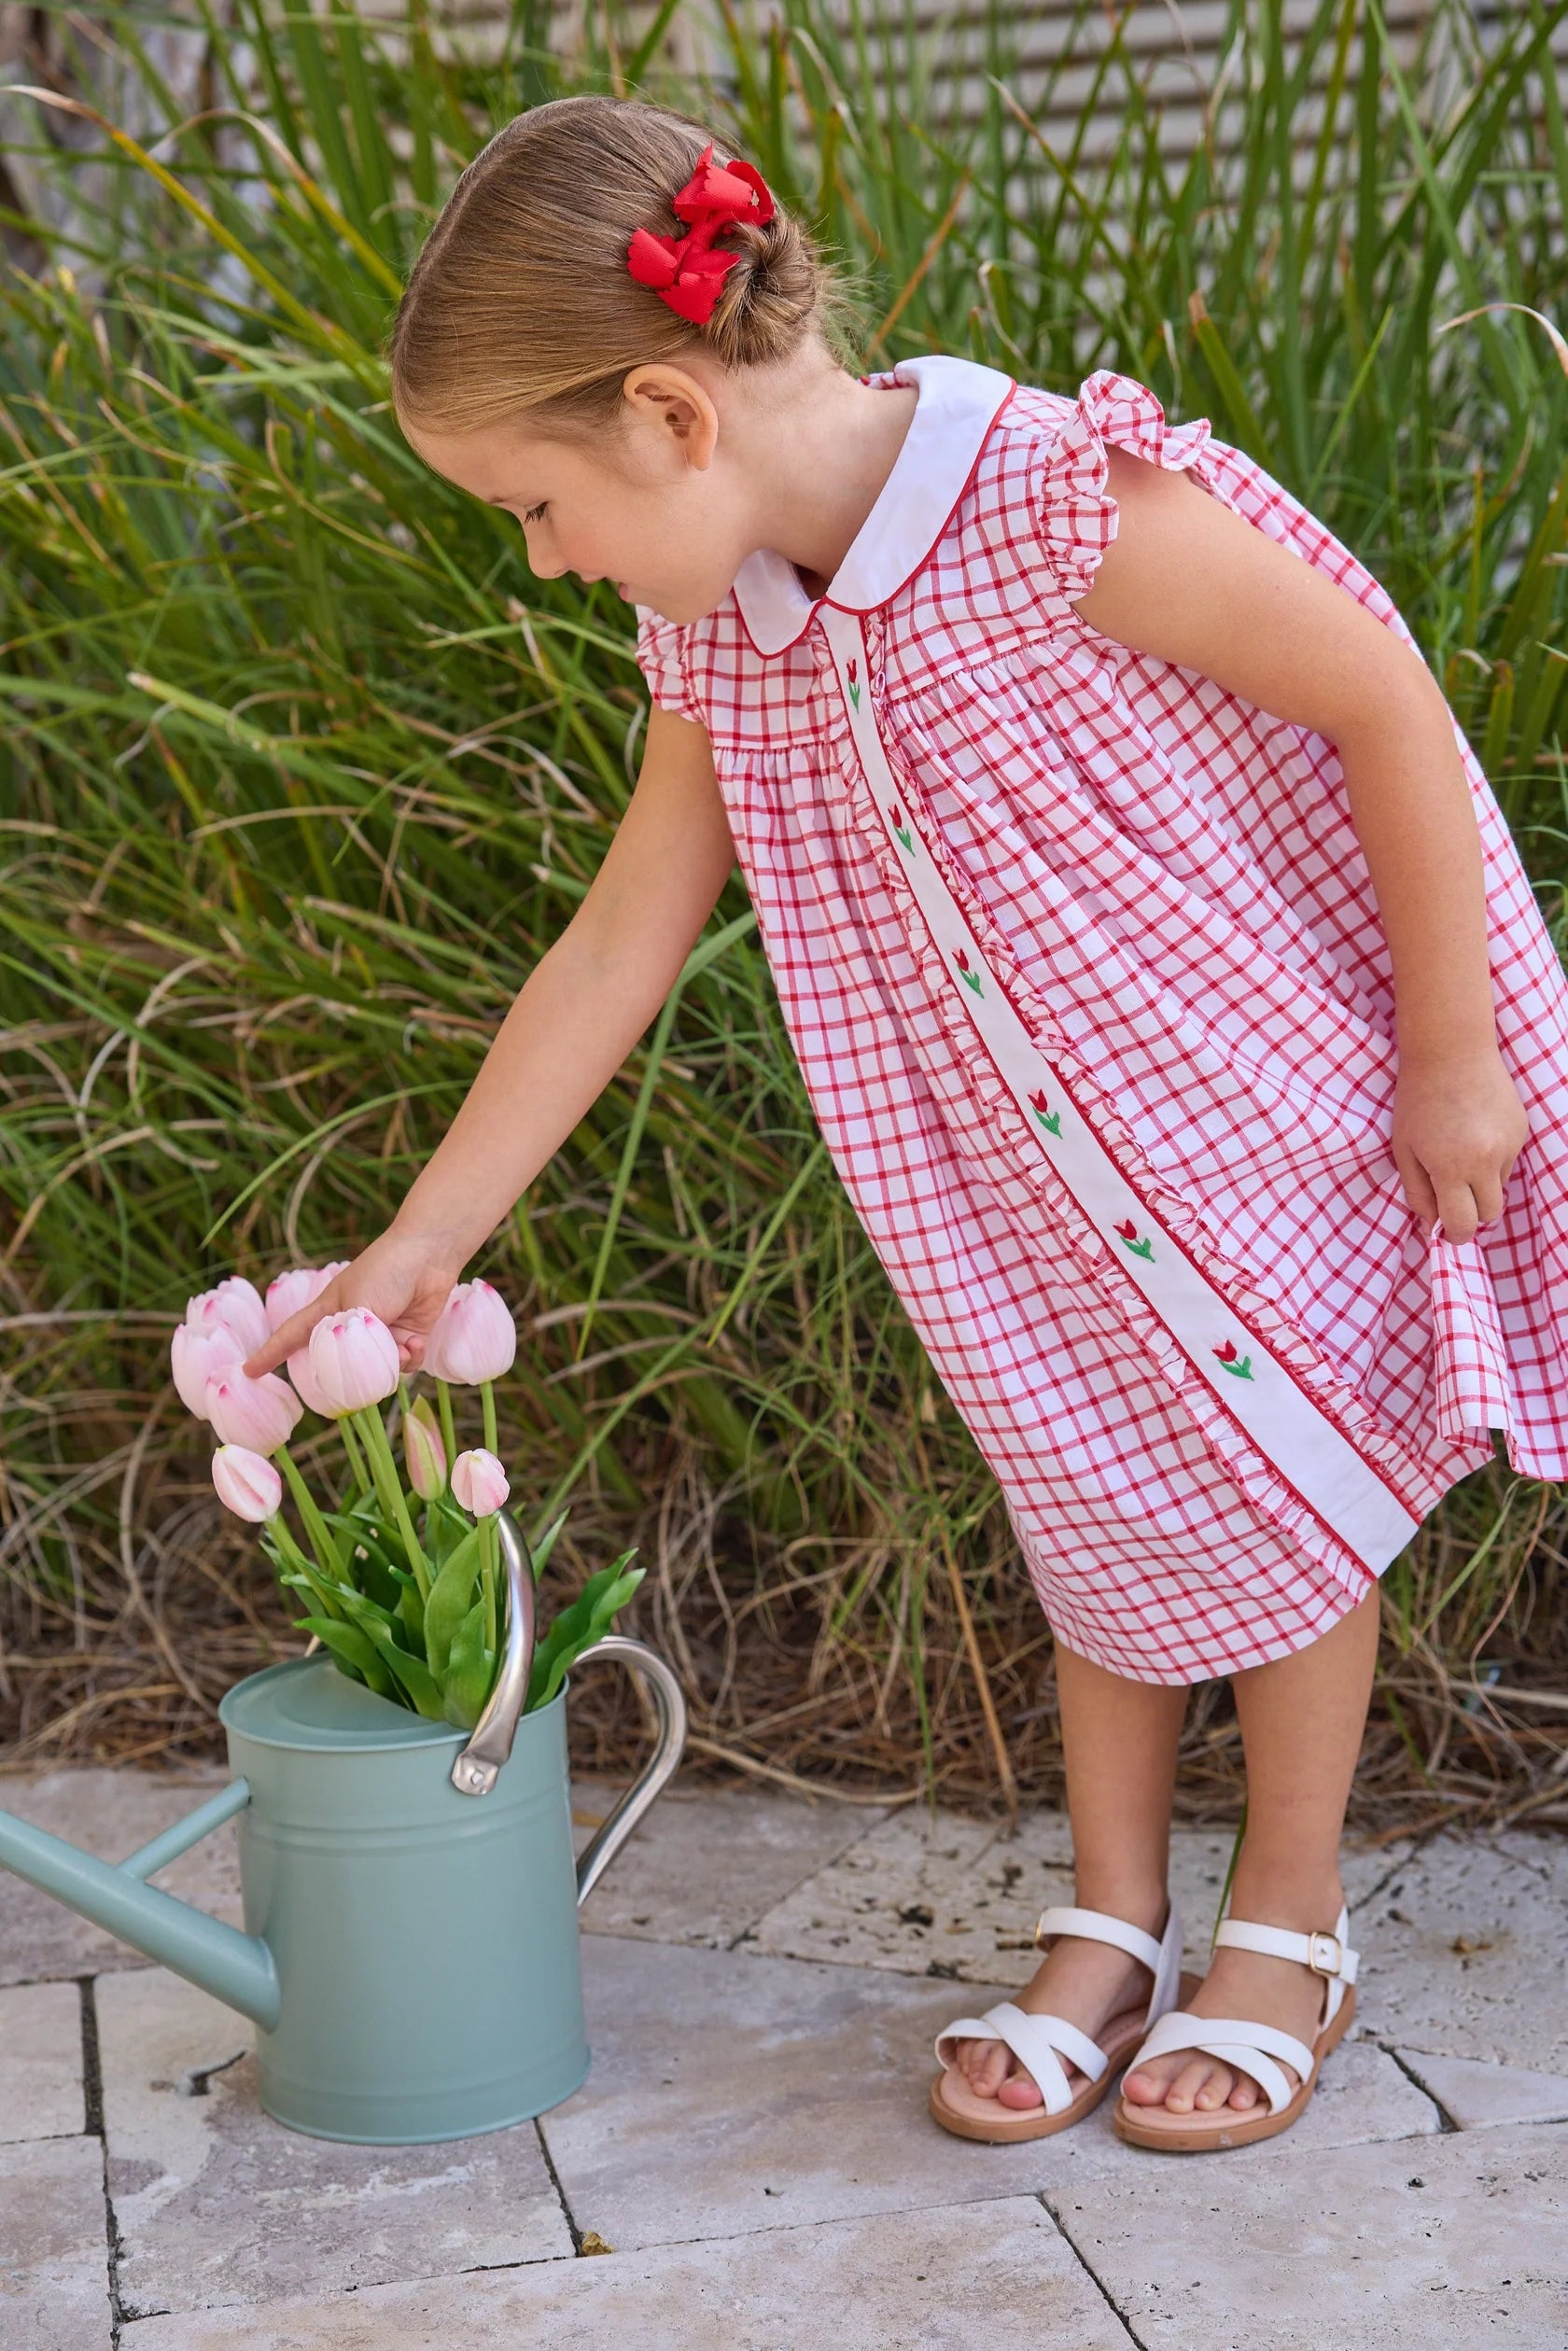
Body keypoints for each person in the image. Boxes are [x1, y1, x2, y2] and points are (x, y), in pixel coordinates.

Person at [246, 92, 1568, 2153]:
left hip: (1227, 1103)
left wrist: (1452, 1053)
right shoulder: (721, 636)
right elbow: (616, 949)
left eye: (535, 505)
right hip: (1005, 1176)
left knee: (1280, 1475)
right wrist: (419, 1243)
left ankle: (1286, 1911)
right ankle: (1115, 1916)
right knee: (1087, 1485)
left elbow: (1379, 691)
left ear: (676, 415)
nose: (547, 558)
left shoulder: (1056, 501)